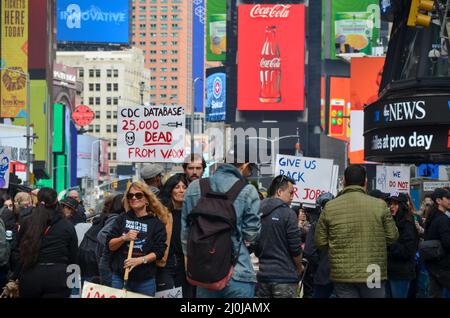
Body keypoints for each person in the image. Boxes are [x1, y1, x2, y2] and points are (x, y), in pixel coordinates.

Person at [181, 141, 261, 298]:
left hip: (204, 274)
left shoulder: (195, 187)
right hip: (238, 272)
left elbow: (185, 234)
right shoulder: (247, 190)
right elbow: (251, 235)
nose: (248, 174)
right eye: (250, 170)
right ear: (245, 166)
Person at [315, 165, 399, 298]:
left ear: (344, 182)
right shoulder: (379, 205)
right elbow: (392, 236)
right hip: (373, 270)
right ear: (365, 182)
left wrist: (335, 248)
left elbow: (320, 241)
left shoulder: (330, 207)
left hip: (342, 272)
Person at [14, 188, 78, 298]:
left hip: (30, 275)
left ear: (37, 201)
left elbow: (17, 249)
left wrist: (15, 275)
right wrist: (72, 281)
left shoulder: (27, 222)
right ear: (56, 202)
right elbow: (73, 255)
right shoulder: (67, 226)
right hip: (58, 277)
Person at [107, 181, 168, 296]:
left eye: (138, 195)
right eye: (130, 196)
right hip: (120, 278)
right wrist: (124, 238)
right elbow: (110, 245)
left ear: (146, 200)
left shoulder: (156, 224)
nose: (134, 198)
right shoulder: (122, 218)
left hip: (145, 281)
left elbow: (159, 251)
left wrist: (140, 260)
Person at [255, 175, 303, 298]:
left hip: (263, 277)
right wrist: (299, 268)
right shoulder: (288, 213)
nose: (293, 197)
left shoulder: (257, 210)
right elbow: (295, 249)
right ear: (280, 192)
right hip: (284, 278)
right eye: (291, 193)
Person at [156, 173, 194, 297]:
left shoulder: (191, 213)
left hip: (186, 262)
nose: (181, 190)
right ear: (170, 190)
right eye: (177, 187)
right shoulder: (162, 213)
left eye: (184, 187)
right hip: (165, 262)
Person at [385, 193, 418, 298]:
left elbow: (407, 251)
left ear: (402, 205)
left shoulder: (407, 224)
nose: (391, 206)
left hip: (401, 273)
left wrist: (390, 245)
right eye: (390, 203)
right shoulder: (392, 221)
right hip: (391, 271)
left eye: (395, 204)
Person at [303, 192, 335, 298]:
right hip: (342, 275)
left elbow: (308, 251)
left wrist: (320, 264)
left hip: (322, 276)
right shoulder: (342, 223)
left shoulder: (316, 225)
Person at [423, 188, 450, 298]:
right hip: (444, 266)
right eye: (448, 198)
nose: (449, 200)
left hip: (433, 265)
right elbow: (448, 243)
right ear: (439, 201)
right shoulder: (443, 219)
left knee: (434, 294)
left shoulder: (432, 217)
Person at [96, 194, 124, 287]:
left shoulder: (112, 217)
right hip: (109, 264)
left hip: (106, 263)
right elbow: (101, 235)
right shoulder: (116, 219)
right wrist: (116, 243)